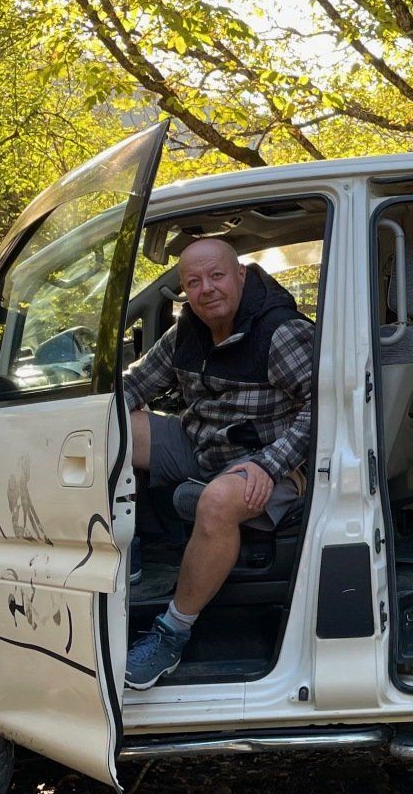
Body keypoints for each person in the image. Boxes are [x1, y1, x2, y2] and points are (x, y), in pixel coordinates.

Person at [120, 237, 316, 689]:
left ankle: (171, 634)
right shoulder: (186, 332)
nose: (206, 288)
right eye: (193, 282)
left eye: (217, 276)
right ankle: (123, 549)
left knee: (217, 503)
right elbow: (135, 385)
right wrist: (84, 412)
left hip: (271, 457)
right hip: (203, 444)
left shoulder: (280, 333)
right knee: (109, 430)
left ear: (241, 275)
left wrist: (271, 465)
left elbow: (324, 406)